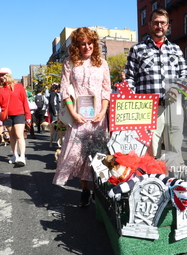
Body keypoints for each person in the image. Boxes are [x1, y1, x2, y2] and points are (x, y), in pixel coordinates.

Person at [52, 27, 111, 207]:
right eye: (82, 43)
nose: (86, 47)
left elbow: (106, 91)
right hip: (78, 118)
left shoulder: (102, 63)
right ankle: (85, 190)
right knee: (78, 155)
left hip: (98, 119)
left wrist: (102, 112)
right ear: (77, 45)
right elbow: (64, 92)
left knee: (98, 155)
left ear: (94, 43)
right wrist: (73, 114)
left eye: (89, 43)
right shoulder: (69, 63)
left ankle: (97, 192)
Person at [125, 8, 187, 166]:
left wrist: (176, 88)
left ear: (167, 25)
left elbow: (185, 74)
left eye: (163, 23)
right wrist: (136, 104)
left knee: (174, 148)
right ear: (150, 25)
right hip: (149, 108)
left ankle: (173, 184)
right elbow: (129, 78)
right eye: (156, 23)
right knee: (150, 150)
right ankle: (151, 185)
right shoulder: (137, 49)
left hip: (173, 106)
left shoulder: (175, 49)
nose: (159, 26)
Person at [0, 67, 31, 166]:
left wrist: (28, 115)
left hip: (19, 113)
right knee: (12, 136)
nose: (1, 77)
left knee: (19, 135)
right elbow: (0, 104)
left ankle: (22, 156)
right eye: (0, 75)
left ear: (9, 75)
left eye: (3, 75)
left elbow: (24, 101)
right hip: (7, 115)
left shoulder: (19, 86)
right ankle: (14, 155)